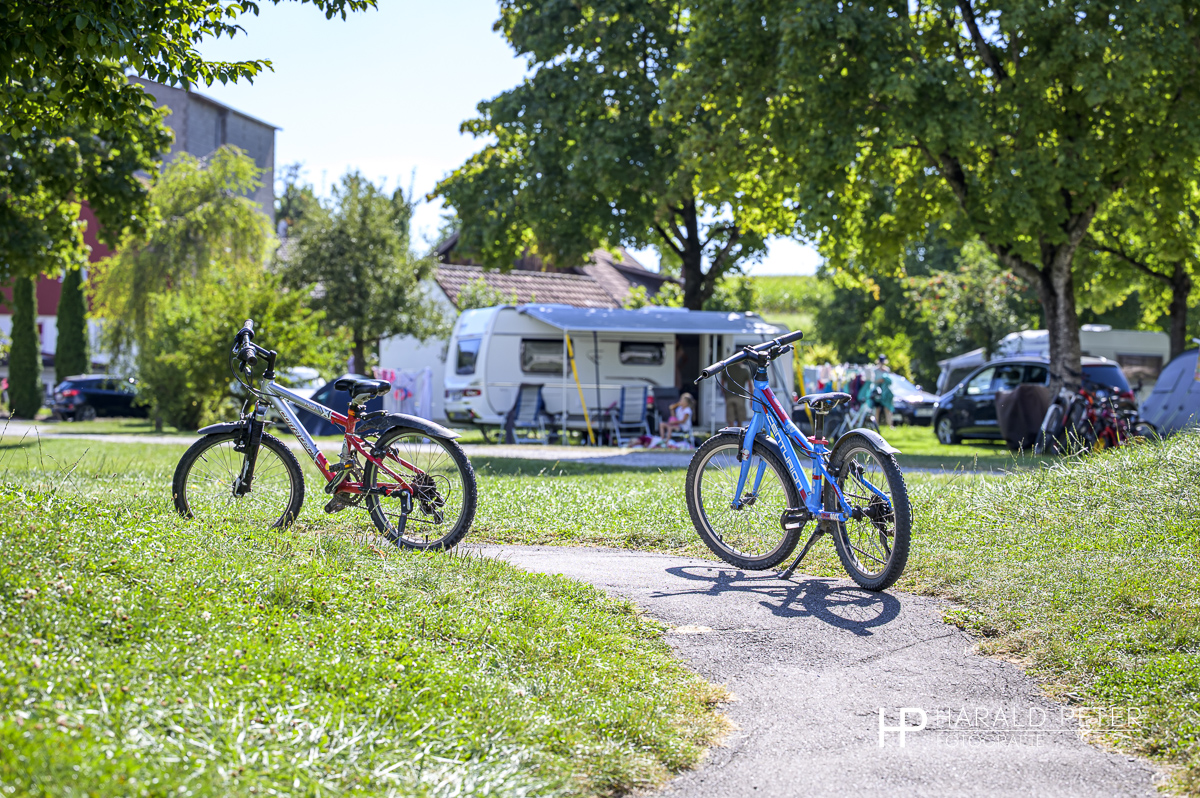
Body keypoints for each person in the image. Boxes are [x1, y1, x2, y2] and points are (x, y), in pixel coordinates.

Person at [723, 360, 752, 427]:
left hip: (729, 396)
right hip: (740, 396)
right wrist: (751, 397)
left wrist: (725, 394)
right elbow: (750, 384)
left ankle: (730, 436)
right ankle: (738, 437)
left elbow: (722, 383)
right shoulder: (745, 369)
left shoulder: (727, 369)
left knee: (730, 421)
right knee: (740, 421)